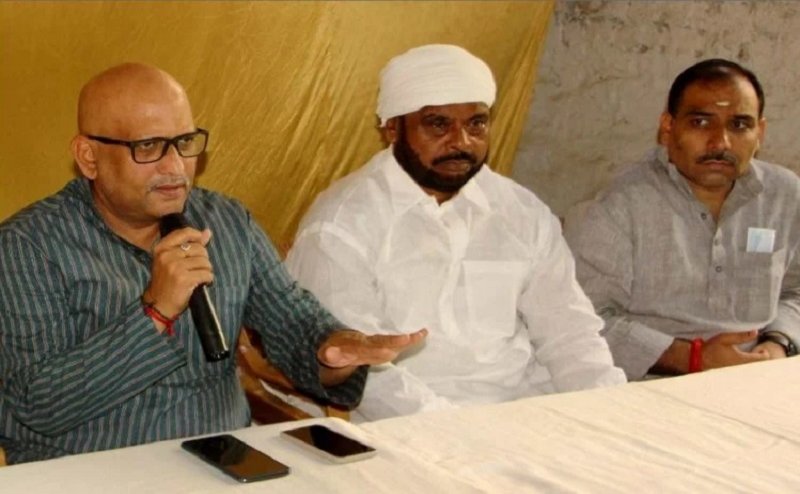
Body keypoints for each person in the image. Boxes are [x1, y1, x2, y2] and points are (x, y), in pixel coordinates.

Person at [0, 63, 425, 465]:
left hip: (222, 464)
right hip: (87, 470)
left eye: (185, 143)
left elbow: (294, 320)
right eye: (148, 147)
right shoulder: (28, 246)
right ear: (88, 157)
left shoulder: (226, 221)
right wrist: (155, 311)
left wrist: (334, 351)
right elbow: (40, 404)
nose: (175, 167)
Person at [285, 44, 625, 421]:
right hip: (404, 425)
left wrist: (609, 408)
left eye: (476, 124)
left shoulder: (521, 211)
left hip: (522, 414)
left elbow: (569, 331)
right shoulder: (341, 223)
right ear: (392, 128)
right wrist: (457, 430)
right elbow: (364, 370)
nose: (461, 142)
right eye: (438, 124)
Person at [568, 58, 800, 380]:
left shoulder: (784, 194)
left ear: (759, 132)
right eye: (701, 123)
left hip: (760, 378)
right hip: (655, 385)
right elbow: (586, 319)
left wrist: (779, 343)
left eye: (739, 125)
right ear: (667, 128)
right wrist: (693, 358)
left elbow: (796, 289)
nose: (721, 143)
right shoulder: (620, 204)